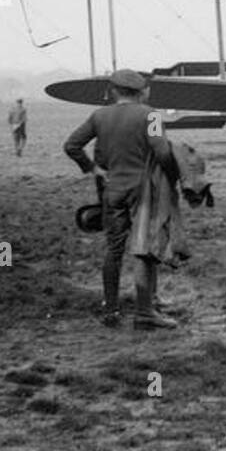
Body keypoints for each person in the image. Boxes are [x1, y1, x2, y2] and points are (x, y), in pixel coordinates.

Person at [63, 68, 180, 331]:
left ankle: (112, 309)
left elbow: (71, 145)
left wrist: (93, 169)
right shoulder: (150, 114)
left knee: (113, 250)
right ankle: (145, 311)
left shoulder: (99, 115)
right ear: (141, 92)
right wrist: (172, 177)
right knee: (144, 247)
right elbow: (162, 151)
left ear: (113, 91)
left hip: (112, 189)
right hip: (143, 190)